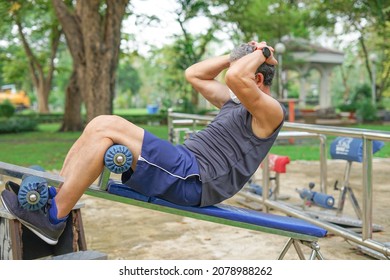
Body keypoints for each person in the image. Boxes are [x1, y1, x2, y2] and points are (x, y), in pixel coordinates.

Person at [1, 41, 285, 245]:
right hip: (184, 163)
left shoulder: (270, 112)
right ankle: (55, 199)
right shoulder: (233, 104)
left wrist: (262, 52)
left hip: (196, 179)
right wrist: (237, 54)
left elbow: (236, 77)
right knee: (99, 124)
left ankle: (53, 218)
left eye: (242, 75)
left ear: (257, 78)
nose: (233, 82)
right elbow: (194, 74)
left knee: (107, 126)